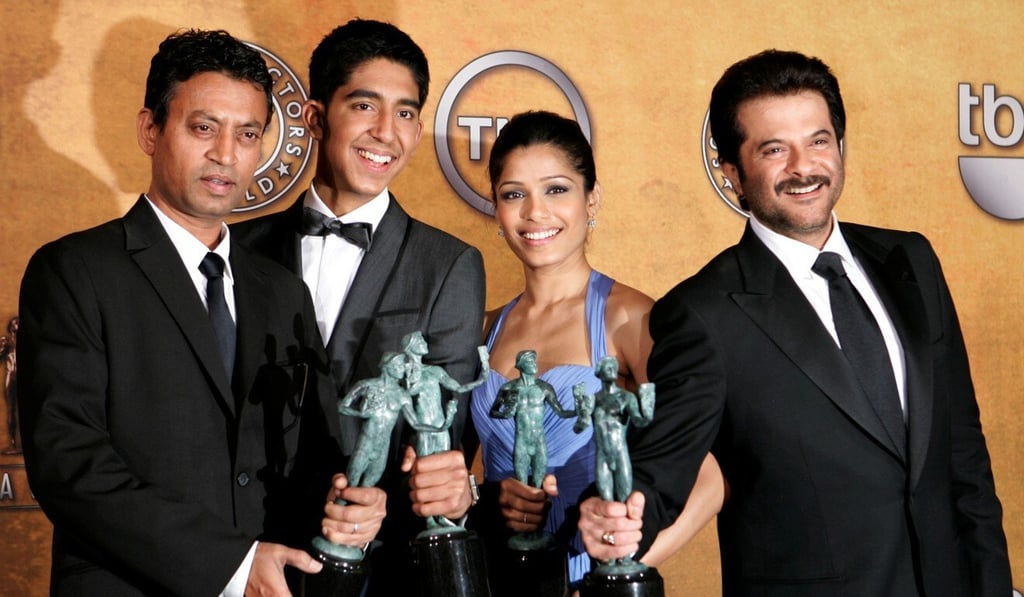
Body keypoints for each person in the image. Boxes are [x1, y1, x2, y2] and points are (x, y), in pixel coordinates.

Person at [582, 50, 1013, 596]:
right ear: (732, 173)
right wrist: (615, 517)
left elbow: (963, 457)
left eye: (818, 141)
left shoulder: (911, 260)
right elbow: (661, 468)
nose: (803, 167)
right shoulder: (703, 313)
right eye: (774, 150)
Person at [17, 29, 375, 596]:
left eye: (248, 134)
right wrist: (232, 566)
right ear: (150, 130)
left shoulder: (283, 292)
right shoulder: (76, 271)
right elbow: (69, 463)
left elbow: (312, 457)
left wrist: (348, 504)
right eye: (204, 128)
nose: (226, 155)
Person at [232, 18, 486, 594]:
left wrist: (405, 493)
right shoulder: (237, 249)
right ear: (316, 116)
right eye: (365, 106)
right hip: (246, 559)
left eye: (405, 113)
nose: (386, 133)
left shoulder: (448, 264)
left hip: (378, 567)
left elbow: (440, 431)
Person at [469, 110, 725, 591]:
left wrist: (618, 571)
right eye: (514, 194)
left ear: (592, 198)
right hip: (500, 578)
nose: (535, 212)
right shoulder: (485, 327)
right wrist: (493, 499)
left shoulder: (629, 318)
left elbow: (710, 475)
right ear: (496, 209)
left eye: (556, 189)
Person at [1, 316, 17, 455]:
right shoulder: (7, 342)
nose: (17, 324)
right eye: (15, 322)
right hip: (10, 376)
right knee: (11, 410)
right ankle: (12, 443)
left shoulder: (28, 341)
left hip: (23, 378)